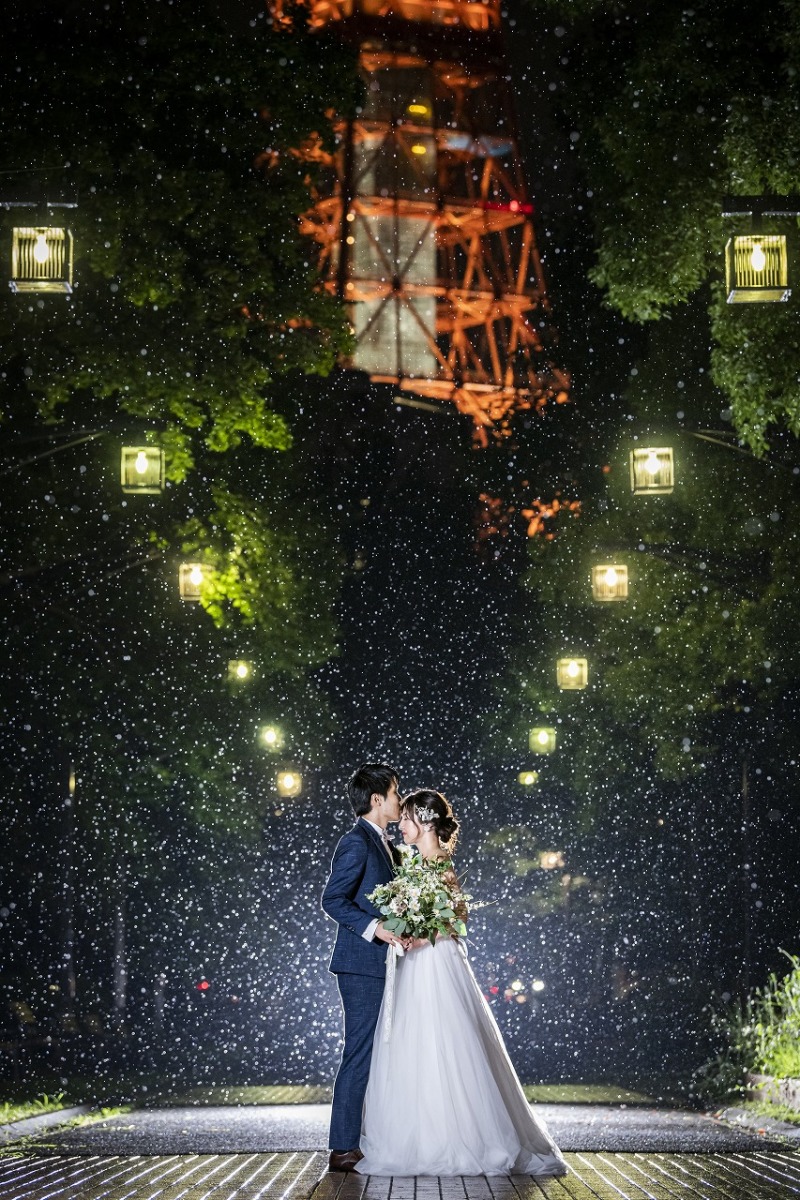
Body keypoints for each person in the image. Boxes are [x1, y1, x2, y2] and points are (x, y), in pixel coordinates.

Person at [355, 789, 568, 1177]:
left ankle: (464, 1137)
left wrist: (415, 936)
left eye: (406, 819)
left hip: (436, 964)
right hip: (414, 964)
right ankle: (422, 1134)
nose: (400, 825)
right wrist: (405, 929)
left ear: (425, 822)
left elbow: (454, 923)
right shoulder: (414, 865)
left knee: (446, 1041)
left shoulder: (440, 866)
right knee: (414, 1044)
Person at [321, 763, 408, 1173]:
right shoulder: (356, 841)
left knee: (381, 1052)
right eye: (394, 792)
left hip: (384, 962)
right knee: (360, 1050)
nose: (399, 799)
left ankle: (368, 1136)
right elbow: (333, 899)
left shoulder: (386, 843)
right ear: (377, 800)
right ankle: (342, 1147)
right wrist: (377, 928)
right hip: (361, 966)